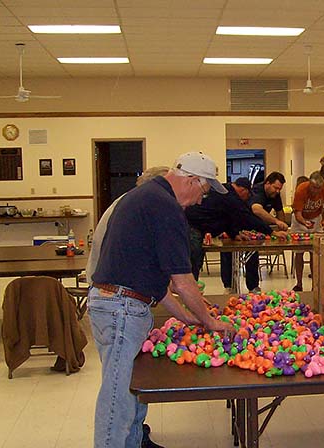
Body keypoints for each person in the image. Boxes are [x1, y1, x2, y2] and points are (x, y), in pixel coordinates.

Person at [89, 152, 233, 448]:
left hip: (117, 302)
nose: (200, 201)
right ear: (192, 180)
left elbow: (152, 276)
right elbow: (182, 279)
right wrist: (209, 321)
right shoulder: (165, 208)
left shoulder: (144, 197)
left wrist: (183, 315)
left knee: (130, 391)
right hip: (121, 309)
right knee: (118, 397)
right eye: (203, 192)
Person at [186, 176, 284, 292]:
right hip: (192, 227)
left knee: (196, 260)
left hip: (198, 226)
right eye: (247, 196)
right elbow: (247, 217)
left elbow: (226, 216)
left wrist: (234, 234)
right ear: (244, 190)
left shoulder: (225, 190)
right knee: (194, 260)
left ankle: (192, 290)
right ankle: (190, 291)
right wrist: (272, 232)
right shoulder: (230, 197)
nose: (246, 199)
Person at [290, 171, 324, 291]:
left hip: (316, 219)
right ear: (309, 183)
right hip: (300, 220)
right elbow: (298, 214)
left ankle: (314, 285)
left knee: (314, 252)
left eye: (318, 188)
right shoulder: (301, 190)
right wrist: (304, 223)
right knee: (299, 252)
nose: (315, 190)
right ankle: (299, 283)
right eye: (313, 187)